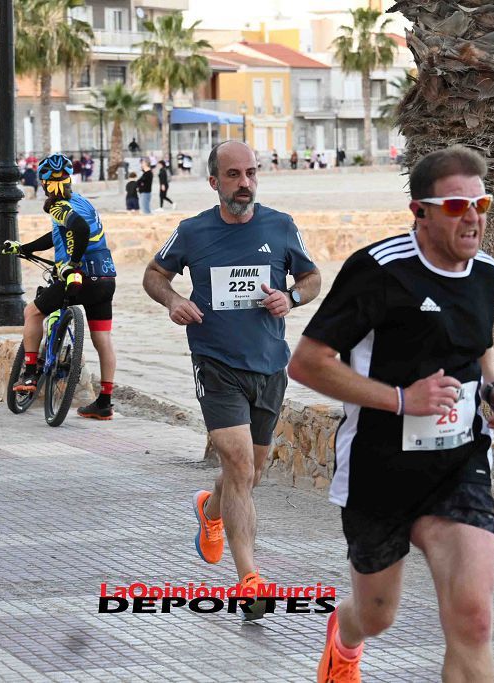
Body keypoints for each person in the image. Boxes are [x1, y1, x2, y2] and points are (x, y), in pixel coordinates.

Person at [287, 145, 494, 682]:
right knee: (376, 615)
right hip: (379, 470)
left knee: (474, 620)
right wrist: (400, 399)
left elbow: (479, 345)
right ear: (420, 211)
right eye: (457, 206)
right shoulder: (378, 272)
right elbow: (307, 363)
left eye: (481, 203)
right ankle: (344, 638)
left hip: (458, 465)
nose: (475, 217)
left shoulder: (486, 274)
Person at [142, 140, 322, 619]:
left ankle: (211, 511)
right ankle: (250, 579)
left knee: (251, 473)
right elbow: (154, 274)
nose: (244, 183)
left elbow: (311, 278)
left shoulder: (280, 226)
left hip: (268, 365)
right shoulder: (192, 231)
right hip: (215, 361)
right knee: (240, 463)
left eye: (251, 173)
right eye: (234, 175)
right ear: (214, 182)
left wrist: (292, 299)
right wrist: (173, 301)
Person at [3, 153, 118, 419]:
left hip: (80, 277)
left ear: (43, 182)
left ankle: (30, 374)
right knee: (103, 339)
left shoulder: (60, 205)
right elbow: (59, 234)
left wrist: (72, 264)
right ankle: (105, 403)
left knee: (32, 312)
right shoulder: (82, 201)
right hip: (105, 278)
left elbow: (77, 229)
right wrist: (25, 248)